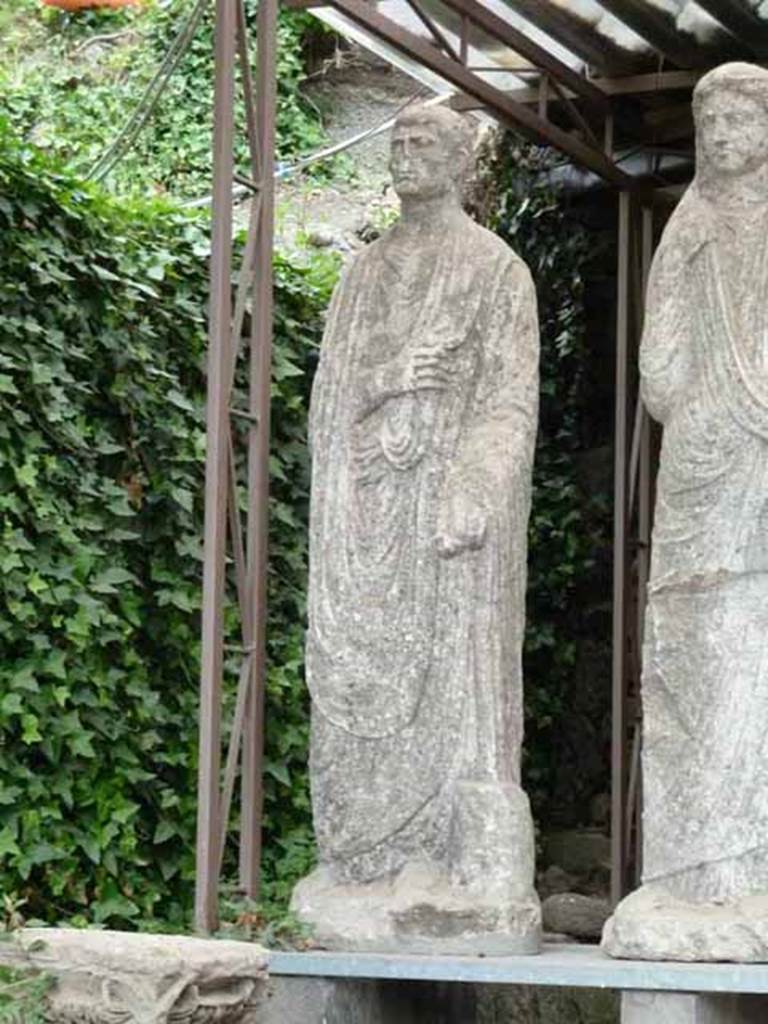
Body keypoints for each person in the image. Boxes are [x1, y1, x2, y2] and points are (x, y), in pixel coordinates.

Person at [292, 102, 540, 952]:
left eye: (423, 141)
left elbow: (510, 400)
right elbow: (329, 401)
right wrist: (393, 376)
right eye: (396, 141)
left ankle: (445, 860)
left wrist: (475, 486)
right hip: (366, 512)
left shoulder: (497, 272)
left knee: (452, 680)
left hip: (444, 516)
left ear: (462, 161)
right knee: (360, 672)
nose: (404, 154)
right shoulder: (362, 274)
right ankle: (358, 858)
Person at [604, 62, 768, 960]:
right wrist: (677, 377)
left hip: (762, 455)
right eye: (709, 113)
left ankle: (751, 869)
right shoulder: (689, 225)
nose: (721, 127)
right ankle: (689, 870)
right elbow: (658, 358)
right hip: (702, 459)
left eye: (740, 111)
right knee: (690, 643)